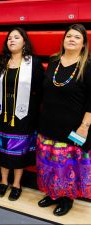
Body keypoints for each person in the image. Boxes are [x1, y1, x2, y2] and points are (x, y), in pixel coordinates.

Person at [37, 23, 91, 216]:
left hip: (73, 128)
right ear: (63, 39)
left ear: (83, 44)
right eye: (69, 36)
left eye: (77, 37)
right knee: (49, 163)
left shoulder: (87, 66)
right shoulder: (53, 61)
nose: (72, 39)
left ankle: (66, 198)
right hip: (49, 124)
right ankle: (52, 194)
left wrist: (85, 126)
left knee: (68, 166)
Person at [0, 27, 44, 200]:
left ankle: (16, 184)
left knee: (19, 151)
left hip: (23, 116)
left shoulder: (33, 64)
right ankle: (3, 181)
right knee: (2, 148)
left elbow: (40, 90)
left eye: (16, 37)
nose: (12, 40)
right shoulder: (1, 62)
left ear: (24, 41)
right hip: (2, 114)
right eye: (9, 38)